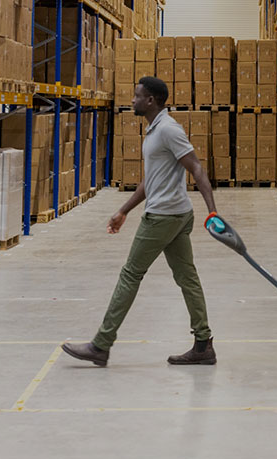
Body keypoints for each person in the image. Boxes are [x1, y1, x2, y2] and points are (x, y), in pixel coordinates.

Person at [63, 77, 220, 367]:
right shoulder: (154, 130)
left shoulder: (168, 130)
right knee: (187, 277)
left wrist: (213, 212)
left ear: (151, 101)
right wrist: (123, 210)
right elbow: (150, 182)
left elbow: (196, 166)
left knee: (130, 275)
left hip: (163, 216)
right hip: (175, 213)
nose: (132, 100)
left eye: (137, 96)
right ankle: (203, 344)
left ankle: (101, 344)